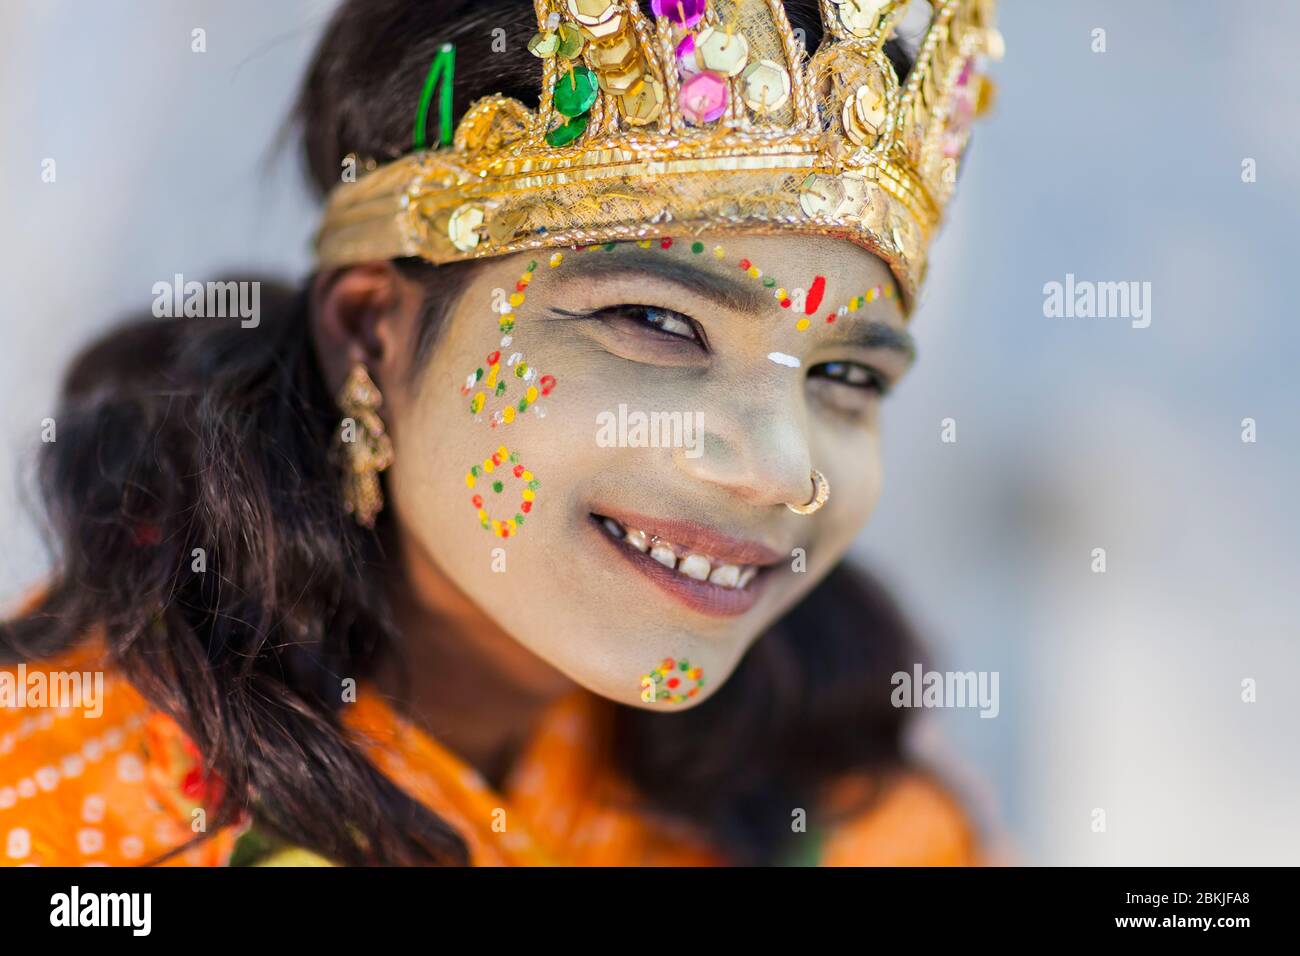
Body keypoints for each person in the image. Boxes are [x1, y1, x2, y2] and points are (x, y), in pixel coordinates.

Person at [0, 0, 1001, 866]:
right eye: (656, 323)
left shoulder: (863, 820)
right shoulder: (50, 801)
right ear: (371, 330)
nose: (782, 470)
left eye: (846, 375)